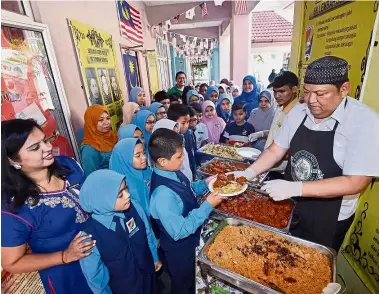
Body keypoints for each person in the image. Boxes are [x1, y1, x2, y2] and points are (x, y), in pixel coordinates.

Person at [241, 56, 379, 251]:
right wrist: (247, 174)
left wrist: (297, 188)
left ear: (344, 89)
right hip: (289, 206)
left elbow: (356, 182)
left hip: (329, 218)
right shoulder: (299, 112)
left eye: (320, 94)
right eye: (307, 92)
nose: (311, 101)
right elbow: (275, 150)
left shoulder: (364, 121)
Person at [1, 119, 94, 294]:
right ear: (12, 160)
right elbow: (12, 263)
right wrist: (64, 256)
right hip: (69, 274)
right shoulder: (13, 206)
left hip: (105, 254)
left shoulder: (68, 165)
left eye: (45, 140)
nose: (47, 148)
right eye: (35, 147)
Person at [148, 129, 223, 294]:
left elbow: (187, 190)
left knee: (192, 279)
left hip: (191, 241)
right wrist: (207, 205)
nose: (183, 159)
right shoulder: (162, 195)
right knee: (183, 284)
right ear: (162, 161)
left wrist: (205, 183)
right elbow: (179, 230)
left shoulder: (173, 171)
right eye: (179, 156)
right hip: (179, 249)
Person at [79, 170, 161, 294]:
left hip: (148, 274)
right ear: (103, 200)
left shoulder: (135, 207)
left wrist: (155, 257)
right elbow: (95, 277)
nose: (127, 195)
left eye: (126, 189)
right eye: (120, 195)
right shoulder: (89, 236)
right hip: (124, 288)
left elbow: (148, 234)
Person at [109, 139, 152, 217]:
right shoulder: (122, 185)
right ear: (125, 159)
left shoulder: (146, 171)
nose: (144, 157)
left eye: (144, 153)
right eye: (138, 156)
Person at [264, 71, 299, 149]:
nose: (277, 96)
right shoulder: (280, 107)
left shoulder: (298, 113)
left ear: (294, 89)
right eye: (275, 91)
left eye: (282, 91)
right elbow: (275, 132)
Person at [81, 105, 118, 176]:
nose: (106, 122)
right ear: (92, 123)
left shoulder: (112, 136)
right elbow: (92, 176)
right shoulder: (89, 149)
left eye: (108, 118)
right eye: (101, 120)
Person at [167, 104, 193, 181]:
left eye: (188, 122)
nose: (186, 126)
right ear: (173, 122)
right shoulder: (169, 142)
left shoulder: (186, 134)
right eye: (183, 123)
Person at [185, 106, 198, 178]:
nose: (193, 123)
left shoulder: (191, 132)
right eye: (190, 121)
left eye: (195, 120)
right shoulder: (185, 135)